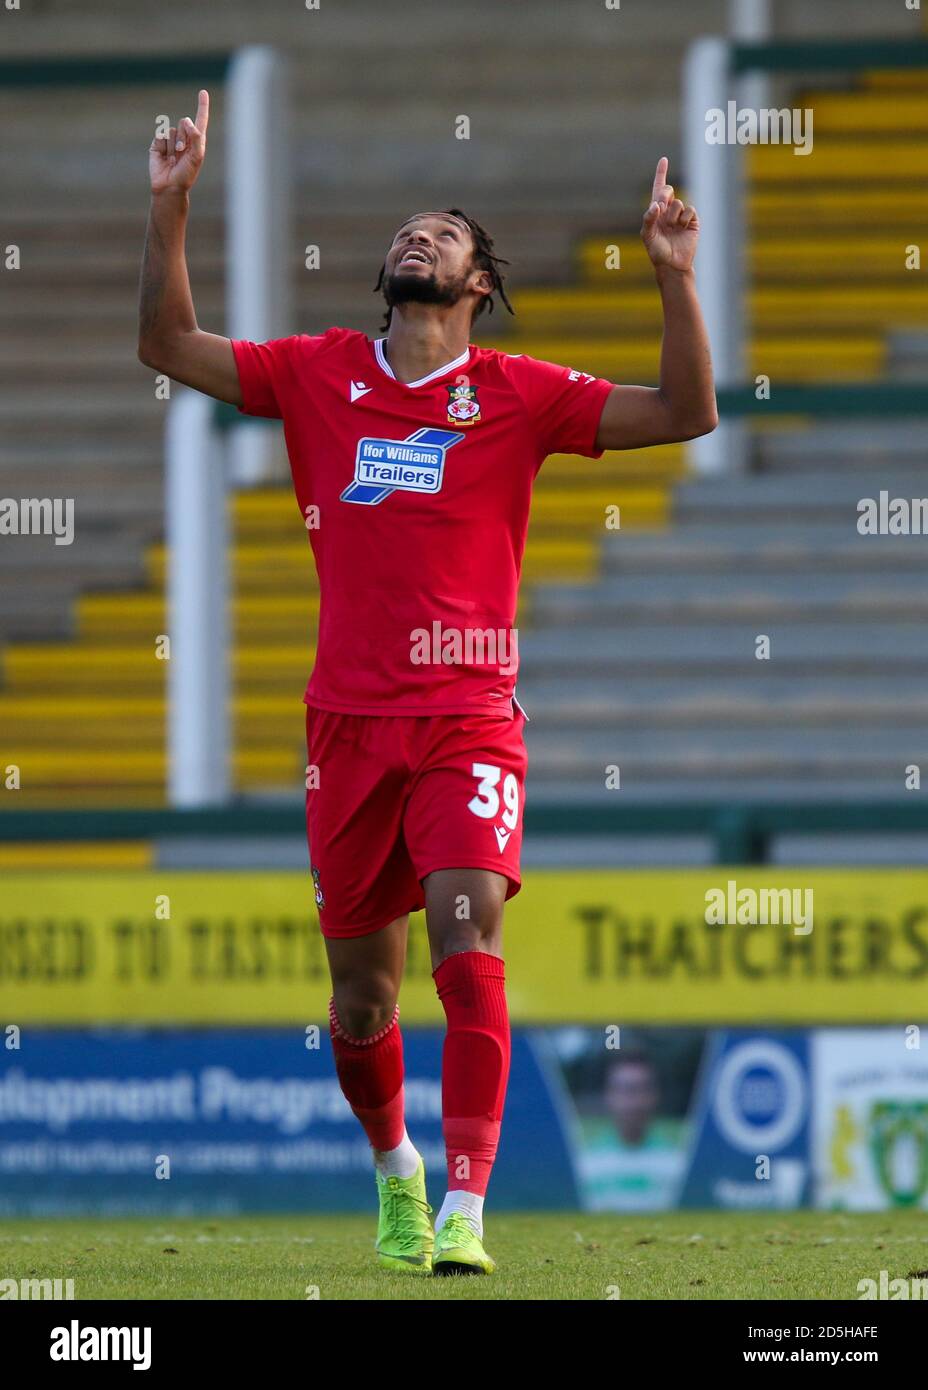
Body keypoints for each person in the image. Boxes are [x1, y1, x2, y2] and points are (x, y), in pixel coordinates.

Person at [137, 89, 717, 1276]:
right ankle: (397, 1170)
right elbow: (164, 346)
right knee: (360, 1004)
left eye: (443, 233)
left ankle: (465, 1206)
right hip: (344, 728)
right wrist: (171, 206)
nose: (418, 236)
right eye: (406, 229)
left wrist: (671, 275)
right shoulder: (317, 374)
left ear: (477, 285)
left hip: (467, 717)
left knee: (466, 936)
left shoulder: (519, 393)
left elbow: (687, 411)